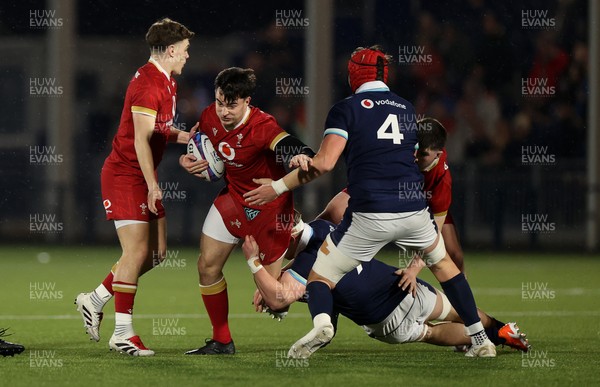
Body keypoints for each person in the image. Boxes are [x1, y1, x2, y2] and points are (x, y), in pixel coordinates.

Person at [244, 45, 495, 358]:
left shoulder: (346, 108)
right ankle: (481, 339)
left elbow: (324, 164)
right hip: (413, 211)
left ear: (354, 74)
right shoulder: (406, 108)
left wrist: (279, 186)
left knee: (321, 276)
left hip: (370, 213)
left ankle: (322, 323)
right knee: (448, 268)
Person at [75, 18, 194, 356]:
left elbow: (158, 128)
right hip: (126, 176)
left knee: (156, 254)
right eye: (185, 51)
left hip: (141, 175)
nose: (188, 56)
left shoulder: (167, 82)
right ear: (171, 50)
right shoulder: (148, 84)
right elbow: (142, 140)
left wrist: (186, 137)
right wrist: (154, 185)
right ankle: (123, 333)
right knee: (136, 252)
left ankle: (94, 299)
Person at [241, 218, 530, 354]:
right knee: (459, 311)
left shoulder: (304, 267)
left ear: (289, 236)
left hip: (384, 319)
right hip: (403, 283)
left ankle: (483, 341)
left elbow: (279, 299)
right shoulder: (329, 227)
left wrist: (255, 263)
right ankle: (501, 332)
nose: (275, 254)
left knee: (430, 333)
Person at [179, 67, 315, 355]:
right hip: (233, 199)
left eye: (232, 104)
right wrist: (187, 160)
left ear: (247, 102)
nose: (224, 111)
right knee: (207, 267)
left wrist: (302, 154)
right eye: (219, 102)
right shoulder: (208, 116)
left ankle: (311, 258)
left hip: (270, 209)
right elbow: (198, 142)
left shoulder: (262, 126)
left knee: (275, 301)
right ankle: (222, 341)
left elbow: (291, 145)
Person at [318, 117, 465, 272]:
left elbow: (433, 232)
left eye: (422, 154)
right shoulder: (399, 147)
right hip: (386, 188)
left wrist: (412, 270)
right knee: (334, 211)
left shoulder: (441, 179)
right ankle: (303, 246)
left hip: (426, 205)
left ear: (437, 155)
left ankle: (460, 294)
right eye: (414, 148)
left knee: (454, 255)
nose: (415, 156)